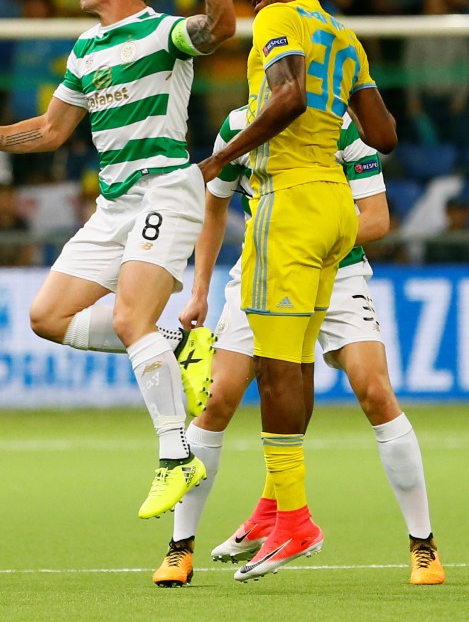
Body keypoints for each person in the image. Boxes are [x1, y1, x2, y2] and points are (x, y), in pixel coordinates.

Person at [0, 0, 236, 521]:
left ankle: (176, 455)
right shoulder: (86, 49)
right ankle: (177, 343)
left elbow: (220, 28)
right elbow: (48, 131)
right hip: (114, 205)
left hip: (165, 190)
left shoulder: (162, 32)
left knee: (129, 318)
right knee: (47, 316)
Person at [153, 107, 444, 588]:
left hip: (338, 272)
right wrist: (199, 289)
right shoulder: (238, 127)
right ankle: (180, 548)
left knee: (376, 393)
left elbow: (376, 219)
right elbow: (214, 208)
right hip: (260, 272)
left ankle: (423, 544)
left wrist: (304, 238)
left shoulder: (340, 127)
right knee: (217, 399)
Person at [197, 0, 397, 582]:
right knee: (297, 360)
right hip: (335, 208)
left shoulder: (279, 20)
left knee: (275, 368)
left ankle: (295, 520)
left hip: (287, 202)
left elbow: (288, 98)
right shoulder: (344, 35)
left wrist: (222, 158)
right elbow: (384, 134)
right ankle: (274, 510)